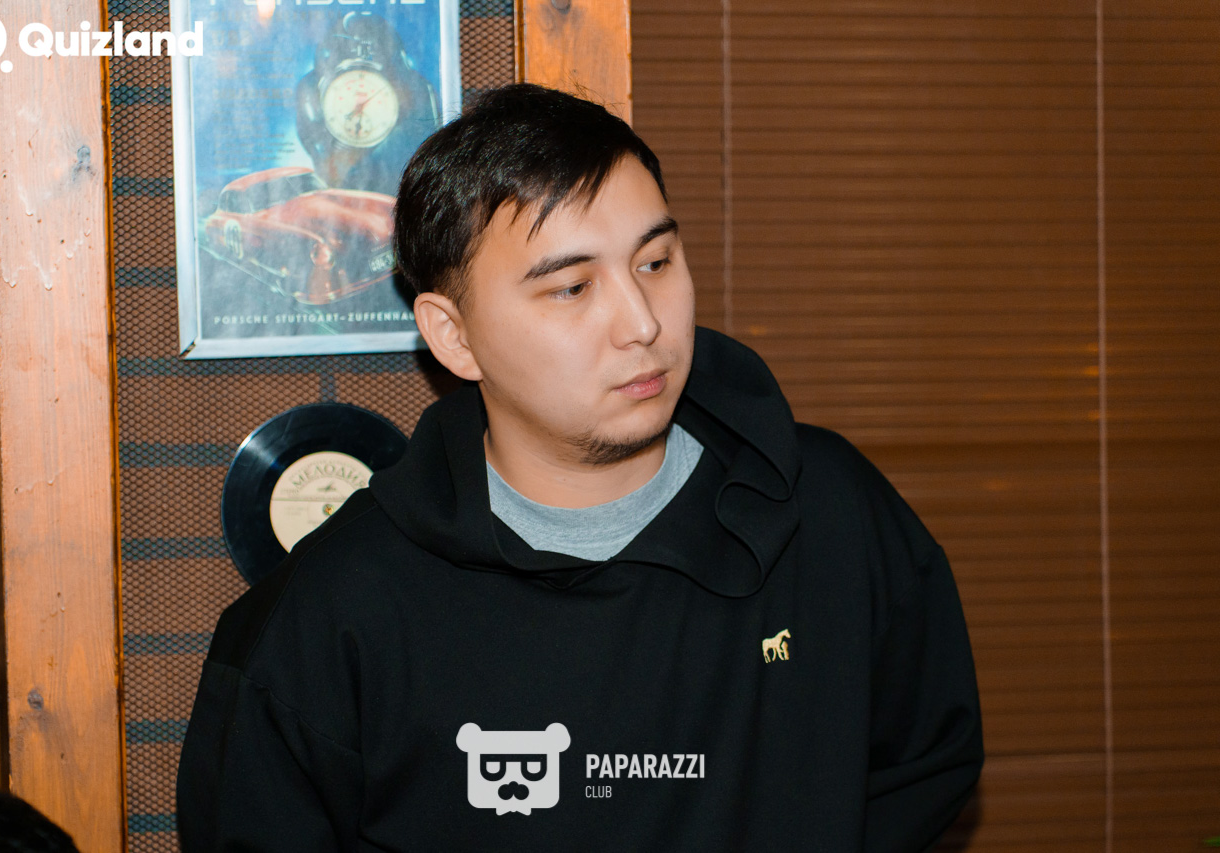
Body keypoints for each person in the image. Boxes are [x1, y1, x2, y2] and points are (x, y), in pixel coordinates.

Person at [177, 83, 983, 852]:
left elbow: (925, 763)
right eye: (571, 287)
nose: (641, 323)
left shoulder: (832, 512)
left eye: (656, 262)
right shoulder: (331, 615)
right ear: (453, 336)